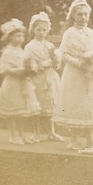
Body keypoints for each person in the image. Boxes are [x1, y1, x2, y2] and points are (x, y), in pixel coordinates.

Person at [53, 0, 93, 150]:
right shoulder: (69, 33)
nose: (83, 17)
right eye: (80, 14)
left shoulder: (92, 33)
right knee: (76, 103)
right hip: (75, 74)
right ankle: (73, 138)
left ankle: (90, 138)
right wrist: (80, 62)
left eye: (85, 14)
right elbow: (64, 54)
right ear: (73, 15)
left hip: (91, 74)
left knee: (89, 104)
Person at [0, 18, 41, 144]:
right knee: (13, 111)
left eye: (22, 36)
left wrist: (32, 68)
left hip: (23, 83)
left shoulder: (22, 51)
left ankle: (22, 133)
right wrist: (17, 70)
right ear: (10, 37)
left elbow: (28, 63)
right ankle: (13, 135)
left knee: (23, 111)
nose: (20, 38)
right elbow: (3, 69)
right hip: (12, 84)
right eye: (17, 36)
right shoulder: (7, 52)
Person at [24, 12, 64, 141]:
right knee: (37, 105)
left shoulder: (50, 46)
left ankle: (51, 131)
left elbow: (55, 64)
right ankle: (36, 132)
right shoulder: (30, 46)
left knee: (51, 105)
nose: (42, 32)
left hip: (50, 78)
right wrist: (36, 65)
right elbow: (28, 62)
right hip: (37, 79)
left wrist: (56, 61)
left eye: (44, 30)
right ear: (33, 30)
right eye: (39, 30)